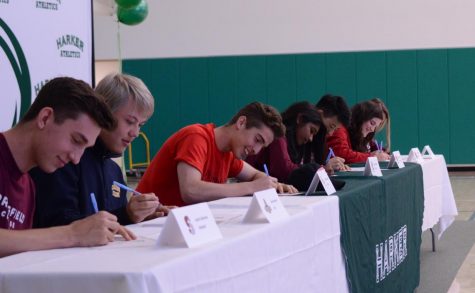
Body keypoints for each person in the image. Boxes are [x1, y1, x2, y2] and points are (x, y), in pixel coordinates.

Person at [0, 77, 135, 257]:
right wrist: (72, 234)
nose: (76, 158)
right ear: (45, 118)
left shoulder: (27, 187)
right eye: (76, 140)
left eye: (85, 149)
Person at [31, 73, 169, 228]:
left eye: (141, 125)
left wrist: (139, 216)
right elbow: (55, 224)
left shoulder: (114, 170)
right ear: (104, 112)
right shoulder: (63, 159)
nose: (135, 133)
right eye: (130, 122)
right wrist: (125, 214)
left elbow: (109, 224)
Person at [136, 101, 298, 207]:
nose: (256, 150)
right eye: (258, 139)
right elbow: (191, 190)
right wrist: (251, 187)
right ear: (241, 123)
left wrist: (273, 186)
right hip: (146, 227)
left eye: (262, 145)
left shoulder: (229, 154)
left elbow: (256, 175)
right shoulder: (196, 137)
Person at [246, 101, 347, 183]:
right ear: (300, 119)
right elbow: (284, 170)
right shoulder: (279, 135)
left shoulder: (299, 144)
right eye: (311, 131)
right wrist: (321, 169)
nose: (311, 138)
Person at [326, 98, 391, 164]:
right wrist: (372, 157)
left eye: (376, 127)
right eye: (372, 123)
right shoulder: (340, 129)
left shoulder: (362, 133)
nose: (372, 129)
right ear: (361, 117)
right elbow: (342, 154)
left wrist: (382, 154)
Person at [304, 94, 351, 164]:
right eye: (331, 126)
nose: (330, 134)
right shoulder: (302, 132)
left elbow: (318, 163)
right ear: (320, 114)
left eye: (335, 130)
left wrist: (329, 165)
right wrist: (325, 166)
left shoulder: (321, 134)